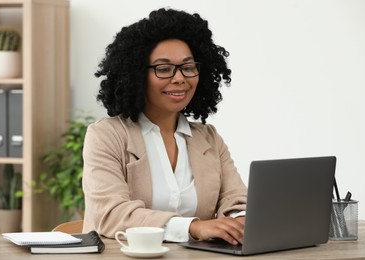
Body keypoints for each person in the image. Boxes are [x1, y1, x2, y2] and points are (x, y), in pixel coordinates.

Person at [82, 8, 247, 245]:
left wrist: (240, 219)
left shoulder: (209, 138)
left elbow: (235, 198)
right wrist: (192, 227)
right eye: (164, 68)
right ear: (137, 75)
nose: (180, 78)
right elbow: (110, 214)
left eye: (188, 67)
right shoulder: (106, 135)